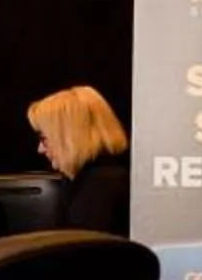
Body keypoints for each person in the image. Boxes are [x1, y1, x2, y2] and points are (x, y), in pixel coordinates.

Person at [28, 84, 131, 233]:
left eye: (45, 138)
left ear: (69, 138)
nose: (40, 149)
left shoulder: (101, 186)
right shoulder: (83, 178)